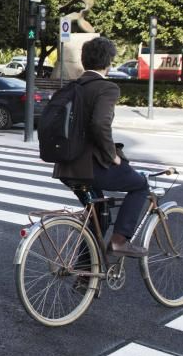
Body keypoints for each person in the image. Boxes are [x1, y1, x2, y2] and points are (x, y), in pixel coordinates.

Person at [52, 37, 149, 257]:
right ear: (109, 62)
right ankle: (119, 240)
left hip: (66, 168)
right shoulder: (107, 88)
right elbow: (99, 124)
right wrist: (112, 155)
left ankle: (84, 277)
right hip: (91, 167)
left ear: (84, 61)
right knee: (140, 185)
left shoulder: (72, 87)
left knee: (99, 215)